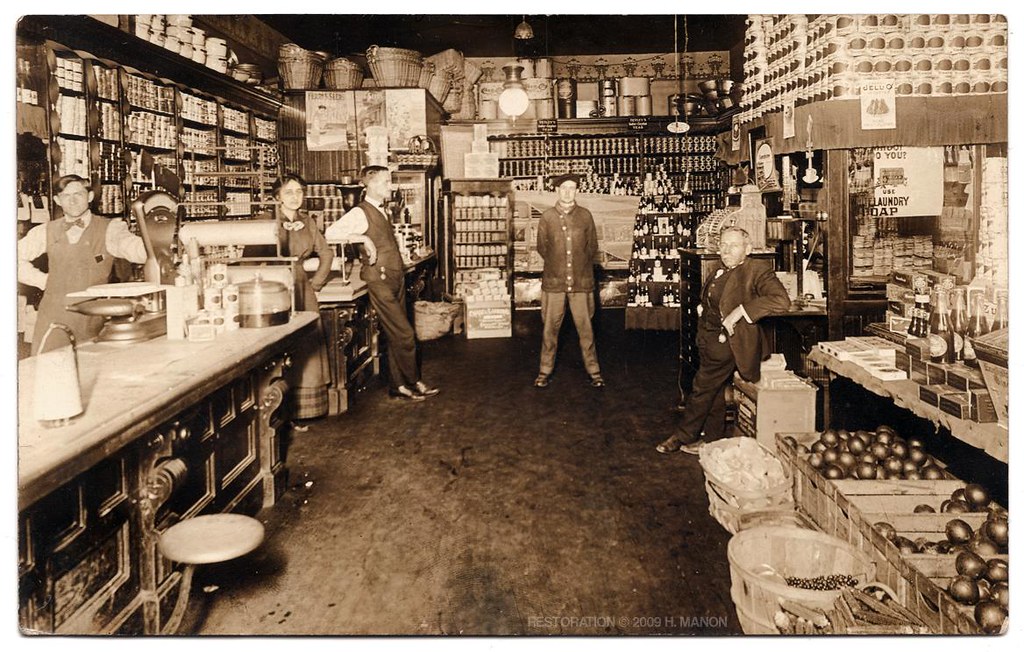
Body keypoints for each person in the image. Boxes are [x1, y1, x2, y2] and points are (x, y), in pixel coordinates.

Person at [656, 227, 791, 455]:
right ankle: (712, 441)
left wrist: (741, 311)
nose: (726, 250)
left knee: (702, 387)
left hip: (729, 342)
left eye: (733, 245)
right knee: (715, 391)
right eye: (723, 245)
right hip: (708, 337)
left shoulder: (756, 269)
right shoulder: (720, 269)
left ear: (747, 249)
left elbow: (781, 301)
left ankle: (683, 435)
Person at [325, 165, 438, 402]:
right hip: (380, 279)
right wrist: (362, 238)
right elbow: (330, 234)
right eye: (385, 182)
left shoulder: (382, 210)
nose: (390, 186)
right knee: (405, 333)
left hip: (394, 277)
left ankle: (399, 385)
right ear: (370, 184)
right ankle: (413, 380)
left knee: (396, 333)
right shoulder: (360, 212)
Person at [18, 174, 148, 354]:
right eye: (66, 196)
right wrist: (43, 280)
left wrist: (155, 241)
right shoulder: (45, 231)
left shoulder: (111, 229)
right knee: (49, 375)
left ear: (90, 196)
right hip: (53, 320)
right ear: (57, 200)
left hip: (93, 318)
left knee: (91, 374)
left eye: (78, 194)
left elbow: (137, 250)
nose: (72, 201)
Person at [248, 173, 334, 422]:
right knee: (280, 351)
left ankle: (302, 413)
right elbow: (250, 260)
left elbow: (326, 254)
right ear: (277, 197)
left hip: (301, 288)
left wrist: (315, 283)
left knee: (306, 346)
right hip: (274, 290)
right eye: (289, 192)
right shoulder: (265, 221)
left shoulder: (308, 221)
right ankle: (280, 415)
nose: (295, 197)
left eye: (299, 192)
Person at [533, 173, 604, 389]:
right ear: (557, 190)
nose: (567, 192)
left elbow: (591, 247)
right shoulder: (547, 217)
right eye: (563, 188)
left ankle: (594, 372)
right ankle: (544, 372)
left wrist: (578, 265)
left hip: (581, 282)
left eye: (572, 188)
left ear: (577, 191)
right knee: (550, 329)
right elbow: (542, 247)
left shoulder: (585, 216)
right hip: (554, 282)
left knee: (585, 328)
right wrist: (559, 265)